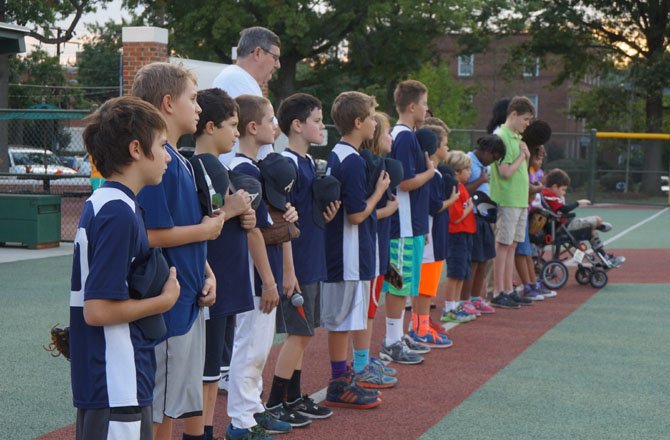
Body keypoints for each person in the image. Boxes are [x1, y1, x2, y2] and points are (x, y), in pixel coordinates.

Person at [70, 96, 179, 440]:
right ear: (136, 149)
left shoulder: (106, 201)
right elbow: (98, 310)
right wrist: (163, 301)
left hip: (111, 377)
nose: (168, 156)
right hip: (117, 379)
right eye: (162, 145)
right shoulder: (118, 211)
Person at [132, 63, 222, 440]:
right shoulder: (157, 161)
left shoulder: (178, 158)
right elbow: (149, 234)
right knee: (157, 410)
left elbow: (177, 229)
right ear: (168, 103)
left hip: (185, 300)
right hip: (165, 305)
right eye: (193, 98)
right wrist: (206, 229)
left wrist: (206, 270)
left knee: (171, 406)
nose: (199, 107)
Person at [226, 94, 299, 440]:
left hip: (261, 273)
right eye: (271, 121)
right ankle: (241, 422)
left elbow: (269, 223)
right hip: (254, 275)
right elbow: (252, 228)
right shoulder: (242, 169)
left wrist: (287, 217)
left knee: (259, 347)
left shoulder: (255, 168)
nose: (275, 126)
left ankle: (253, 410)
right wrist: (268, 281)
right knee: (250, 348)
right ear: (252, 127)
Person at [263, 93, 339, 424]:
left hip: (312, 257)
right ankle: (274, 402)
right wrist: (287, 268)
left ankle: (292, 396)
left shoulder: (308, 162)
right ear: (297, 125)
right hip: (298, 263)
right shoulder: (287, 164)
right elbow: (282, 222)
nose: (323, 127)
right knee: (300, 332)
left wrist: (327, 216)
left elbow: (305, 217)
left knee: (305, 332)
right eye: (318, 121)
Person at [191, 88, 257, 440]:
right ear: (211, 126)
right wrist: (234, 211)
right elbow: (212, 218)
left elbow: (233, 212)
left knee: (213, 372)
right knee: (205, 372)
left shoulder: (216, 167)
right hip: (212, 283)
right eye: (232, 125)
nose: (237, 132)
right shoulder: (203, 167)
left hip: (224, 282)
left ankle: (204, 431)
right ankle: (199, 433)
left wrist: (244, 213)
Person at [322, 91, 388, 409]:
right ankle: (338, 382)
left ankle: (343, 375)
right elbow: (356, 214)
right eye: (372, 117)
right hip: (347, 253)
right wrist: (379, 192)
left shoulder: (344, 155)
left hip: (350, 252)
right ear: (358, 122)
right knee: (342, 319)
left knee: (347, 318)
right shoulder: (351, 160)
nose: (375, 123)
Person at [381, 80, 434, 365]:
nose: (427, 109)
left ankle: (397, 335)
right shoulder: (403, 137)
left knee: (404, 283)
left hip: (410, 225)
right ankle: (391, 340)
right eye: (424, 103)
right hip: (400, 225)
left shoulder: (408, 136)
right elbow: (404, 181)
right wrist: (430, 173)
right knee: (398, 283)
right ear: (412, 106)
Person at [351, 111, 401, 388]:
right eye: (386, 132)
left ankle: (363, 358)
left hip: (378, 248)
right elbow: (360, 213)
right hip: (369, 250)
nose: (390, 138)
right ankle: (360, 363)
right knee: (366, 310)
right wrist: (387, 208)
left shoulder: (380, 168)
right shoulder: (370, 169)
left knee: (370, 308)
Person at [411, 125, 458, 345]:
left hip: (434, 237)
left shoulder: (435, 173)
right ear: (434, 147)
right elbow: (434, 206)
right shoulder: (432, 174)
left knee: (428, 286)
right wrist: (451, 201)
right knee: (424, 288)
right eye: (445, 143)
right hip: (429, 236)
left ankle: (423, 323)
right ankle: (420, 329)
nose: (447, 147)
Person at [489, 96, 535, 309]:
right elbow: (505, 172)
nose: (527, 124)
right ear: (513, 114)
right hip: (507, 199)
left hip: (519, 200)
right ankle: (499, 291)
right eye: (525, 119)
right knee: (503, 245)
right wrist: (521, 157)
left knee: (512, 245)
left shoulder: (517, 138)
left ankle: (509, 289)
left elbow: (521, 173)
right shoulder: (501, 137)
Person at [213, 26, 281, 165]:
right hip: (242, 177)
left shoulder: (239, 78)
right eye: (275, 57)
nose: (278, 65)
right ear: (257, 53)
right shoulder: (237, 79)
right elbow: (270, 131)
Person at [541, 169, 625, 268]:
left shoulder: (546, 193)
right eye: (563, 189)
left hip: (563, 226)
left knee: (591, 231)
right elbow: (564, 209)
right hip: (564, 228)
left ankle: (605, 257)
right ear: (555, 187)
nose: (564, 193)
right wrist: (578, 202)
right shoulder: (549, 195)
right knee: (597, 219)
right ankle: (600, 227)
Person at [461, 135, 506, 314]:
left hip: (484, 217)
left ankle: (475, 298)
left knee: (483, 260)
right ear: (487, 151)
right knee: (473, 261)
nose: (493, 162)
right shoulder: (468, 162)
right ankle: (464, 300)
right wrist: (480, 181)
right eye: (494, 157)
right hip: (472, 217)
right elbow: (461, 189)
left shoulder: (484, 165)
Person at [514, 120, 557, 300]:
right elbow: (528, 189)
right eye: (539, 156)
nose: (542, 158)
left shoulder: (531, 168)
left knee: (527, 251)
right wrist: (537, 189)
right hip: (518, 206)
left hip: (524, 208)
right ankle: (528, 285)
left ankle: (532, 283)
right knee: (522, 250)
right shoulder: (525, 163)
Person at [440, 151, 477, 323]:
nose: (470, 172)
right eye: (467, 169)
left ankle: (455, 305)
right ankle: (449, 307)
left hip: (466, 234)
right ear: (456, 171)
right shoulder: (454, 188)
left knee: (462, 272)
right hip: (456, 235)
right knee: (455, 272)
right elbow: (455, 216)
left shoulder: (462, 187)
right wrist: (469, 209)